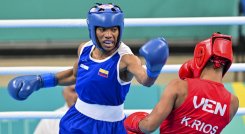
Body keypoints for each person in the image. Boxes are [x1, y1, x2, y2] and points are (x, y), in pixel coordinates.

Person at [7, 3, 169, 134]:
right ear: (93, 30)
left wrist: (154, 68)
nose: (109, 34)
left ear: (120, 29)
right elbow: (74, 74)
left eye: (114, 29)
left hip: (109, 127)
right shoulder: (85, 49)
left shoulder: (126, 58)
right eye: (103, 29)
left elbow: (145, 80)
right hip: (77, 120)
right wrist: (41, 81)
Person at [124, 32, 239, 134]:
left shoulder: (180, 86)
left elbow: (149, 126)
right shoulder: (233, 103)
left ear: (200, 56)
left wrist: (135, 122)